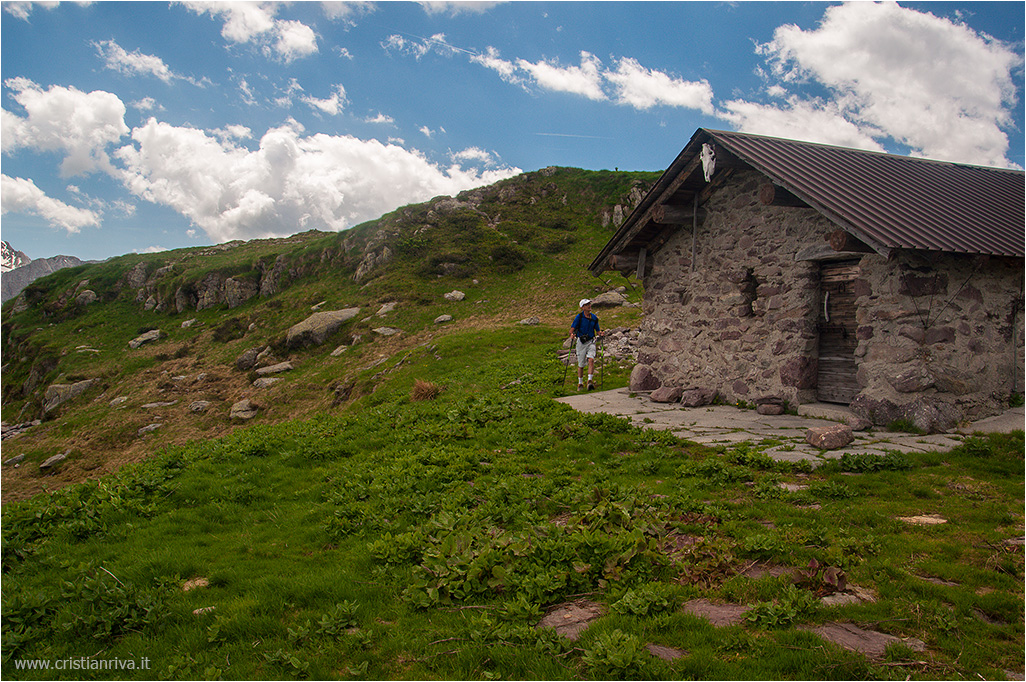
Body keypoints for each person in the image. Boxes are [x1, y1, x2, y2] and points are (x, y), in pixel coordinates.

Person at [569, 298, 603, 390]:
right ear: (582, 307)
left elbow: (597, 330)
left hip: (591, 341)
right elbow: (572, 329)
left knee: (591, 359)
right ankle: (580, 383)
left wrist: (600, 333)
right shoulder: (579, 317)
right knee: (581, 364)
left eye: (589, 304)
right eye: (587, 304)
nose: (589, 306)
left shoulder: (594, 318)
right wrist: (572, 335)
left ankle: (590, 381)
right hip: (581, 342)